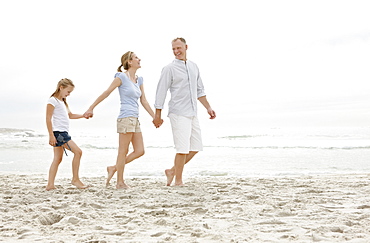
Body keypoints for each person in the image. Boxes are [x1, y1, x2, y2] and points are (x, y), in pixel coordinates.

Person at [84, 51, 160, 189]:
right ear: (129, 62)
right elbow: (107, 92)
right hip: (125, 117)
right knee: (123, 151)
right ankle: (119, 182)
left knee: (140, 151)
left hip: (135, 119)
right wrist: (91, 108)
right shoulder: (121, 77)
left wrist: (155, 117)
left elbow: (144, 100)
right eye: (136, 57)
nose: (139, 59)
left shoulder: (139, 79)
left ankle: (113, 168)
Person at [153, 37, 216, 186]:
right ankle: (178, 181)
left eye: (179, 48)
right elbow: (161, 92)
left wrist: (208, 107)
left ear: (186, 47)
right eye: (174, 49)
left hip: (193, 112)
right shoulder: (169, 69)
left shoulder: (194, 67)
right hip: (178, 112)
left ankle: (172, 170)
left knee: (195, 147)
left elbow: (200, 90)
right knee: (182, 149)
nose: (176, 51)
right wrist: (158, 114)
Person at [46, 78, 88, 191]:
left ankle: (50, 185)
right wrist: (51, 135)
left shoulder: (63, 102)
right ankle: (75, 179)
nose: (68, 94)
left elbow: (71, 115)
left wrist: (83, 115)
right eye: (68, 92)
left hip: (61, 132)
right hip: (59, 133)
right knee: (78, 152)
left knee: (57, 159)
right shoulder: (53, 100)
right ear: (61, 88)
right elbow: (48, 118)